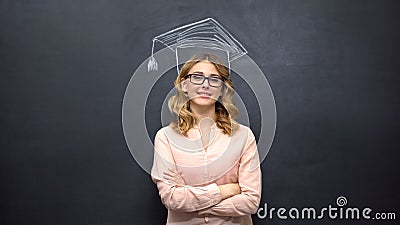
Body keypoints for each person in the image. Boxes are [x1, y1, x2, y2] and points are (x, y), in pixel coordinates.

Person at [151, 53, 261, 225]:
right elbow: (172, 199)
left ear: (222, 88)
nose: (205, 85)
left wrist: (192, 197)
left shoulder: (243, 136)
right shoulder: (165, 137)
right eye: (197, 77)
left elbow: (251, 202)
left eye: (214, 79)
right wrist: (227, 190)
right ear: (184, 85)